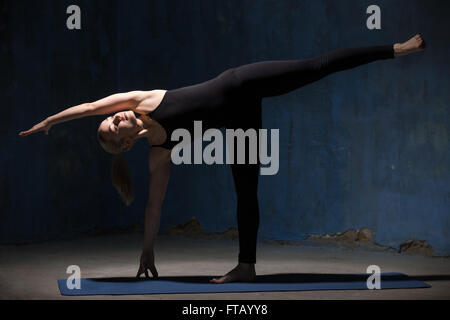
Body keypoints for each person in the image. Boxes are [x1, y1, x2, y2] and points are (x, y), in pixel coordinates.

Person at [19, 35, 426, 283]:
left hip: (240, 82)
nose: (115, 117)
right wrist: (147, 251)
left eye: (111, 118)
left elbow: (91, 105)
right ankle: (246, 266)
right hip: (239, 121)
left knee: (315, 67)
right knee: (245, 189)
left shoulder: (140, 101)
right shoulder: (158, 154)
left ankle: (395, 48)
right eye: (113, 128)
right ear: (125, 144)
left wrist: (52, 120)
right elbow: (154, 206)